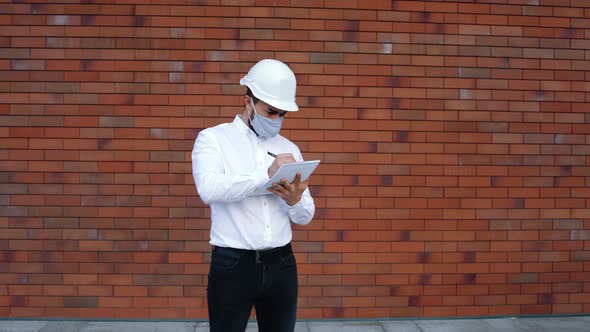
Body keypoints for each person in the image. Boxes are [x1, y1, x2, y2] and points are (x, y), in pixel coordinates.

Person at [191, 59, 315, 332]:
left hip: (282, 264)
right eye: (271, 112)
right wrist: (265, 175)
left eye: (283, 114)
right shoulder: (213, 139)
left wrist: (294, 200)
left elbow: (306, 215)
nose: (277, 120)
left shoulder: (289, 148)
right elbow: (209, 188)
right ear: (248, 101)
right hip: (233, 265)